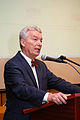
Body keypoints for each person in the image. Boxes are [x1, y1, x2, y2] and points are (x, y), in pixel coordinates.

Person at [3, 26, 80, 120]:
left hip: (39, 115)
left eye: (41, 41)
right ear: (23, 42)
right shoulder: (13, 65)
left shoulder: (41, 65)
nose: (39, 44)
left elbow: (58, 82)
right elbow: (22, 89)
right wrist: (49, 96)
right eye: (35, 39)